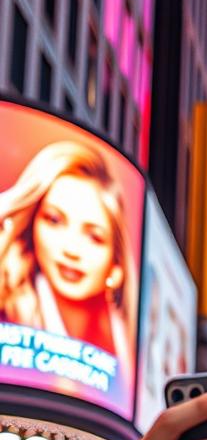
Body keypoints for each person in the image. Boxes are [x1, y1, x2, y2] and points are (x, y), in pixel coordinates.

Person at [0, 141, 137, 388]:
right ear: (33, 225)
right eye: (54, 220)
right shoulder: (7, 311)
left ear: (115, 266)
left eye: (94, 236)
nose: (71, 250)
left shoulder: (126, 342)